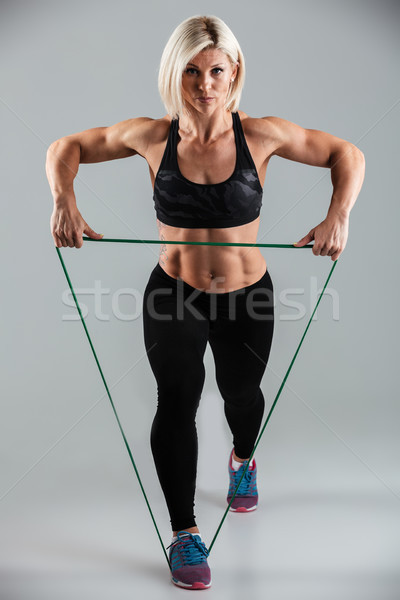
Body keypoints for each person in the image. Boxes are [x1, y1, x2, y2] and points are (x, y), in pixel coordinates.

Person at [46, 14, 365, 591]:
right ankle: (183, 532)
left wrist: (337, 216)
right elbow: (65, 147)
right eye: (191, 71)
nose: (204, 84)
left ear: (234, 71)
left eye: (216, 70)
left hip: (249, 297)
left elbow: (347, 154)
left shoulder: (261, 135)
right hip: (175, 294)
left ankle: (242, 459)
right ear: (175, 72)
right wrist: (64, 201)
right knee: (177, 401)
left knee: (242, 393)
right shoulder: (151, 135)